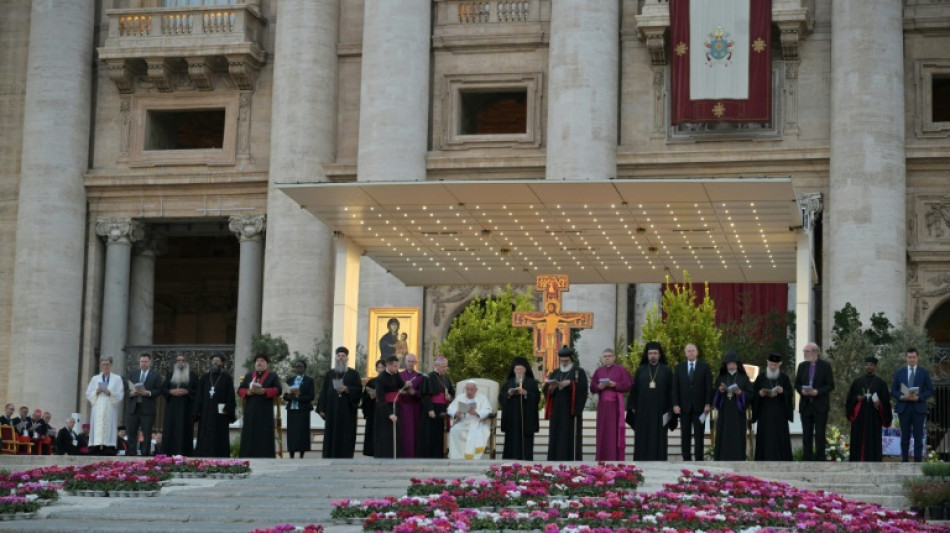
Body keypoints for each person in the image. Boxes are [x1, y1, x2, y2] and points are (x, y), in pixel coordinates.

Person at [629, 341, 674, 461]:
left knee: (659, 437)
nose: (653, 355)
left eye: (655, 353)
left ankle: (659, 461)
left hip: (660, 411)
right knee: (642, 436)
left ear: (659, 355)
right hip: (643, 411)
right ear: (647, 355)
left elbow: (671, 390)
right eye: (650, 353)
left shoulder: (666, 370)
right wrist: (632, 405)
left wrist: (670, 407)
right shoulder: (641, 370)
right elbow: (634, 389)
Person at [543, 346, 588, 461]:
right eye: (562, 361)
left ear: (571, 359)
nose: (564, 363)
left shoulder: (578, 372)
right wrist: (550, 389)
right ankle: (554, 460)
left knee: (569, 436)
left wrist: (571, 384)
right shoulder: (555, 372)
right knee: (556, 435)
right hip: (556, 410)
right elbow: (546, 389)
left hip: (570, 411)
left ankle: (571, 460)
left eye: (566, 361)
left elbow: (583, 390)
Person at [316, 347, 362, 458]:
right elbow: (324, 391)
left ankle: (345, 456)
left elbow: (359, 390)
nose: (341, 358)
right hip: (332, 410)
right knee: (331, 433)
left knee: (346, 434)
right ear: (336, 358)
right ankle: (330, 455)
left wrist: (347, 389)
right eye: (339, 356)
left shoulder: (353, 374)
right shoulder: (330, 374)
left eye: (343, 356)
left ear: (347, 358)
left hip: (347, 411)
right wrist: (321, 408)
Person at [672, 343, 713, 461]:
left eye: (693, 350)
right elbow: (675, 388)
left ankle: (699, 459)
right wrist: (675, 404)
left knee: (699, 436)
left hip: (700, 408)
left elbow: (709, 387)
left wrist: (708, 403)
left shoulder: (704, 367)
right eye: (688, 351)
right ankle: (686, 459)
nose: (691, 353)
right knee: (685, 435)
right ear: (685, 354)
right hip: (684, 408)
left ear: (697, 352)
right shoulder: (679, 367)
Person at [589, 348, 633, 461]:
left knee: (614, 433)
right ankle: (601, 457)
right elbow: (592, 387)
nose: (607, 358)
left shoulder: (621, 369)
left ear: (614, 357)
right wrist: (599, 387)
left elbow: (628, 385)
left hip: (615, 406)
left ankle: (615, 457)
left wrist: (615, 385)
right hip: (603, 407)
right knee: (602, 432)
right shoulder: (599, 371)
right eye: (605, 356)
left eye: (609, 356)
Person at [892, 347, 934, 463]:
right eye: (909, 357)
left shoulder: (924, 372)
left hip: (918, 408)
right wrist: (902, 396)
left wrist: (919, 397)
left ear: (917, 358)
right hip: (904, 408)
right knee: (904, 436)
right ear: (906, 358)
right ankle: (905, 460)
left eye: (913, 357)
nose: (911, 359)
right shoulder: (899, 372)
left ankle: (917, 461)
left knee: (918, 436)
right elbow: (893, 390)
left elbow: (930, 390)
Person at [847, 356, 893, 462]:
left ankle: (873, 461)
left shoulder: (881, 383)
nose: (869, 367)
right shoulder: (857, 382)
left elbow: (886, 402)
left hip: (874, 418)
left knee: (873, 440)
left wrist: (880, 403)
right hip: (859, 418)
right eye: (867, 365)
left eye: (871, 365)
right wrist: (856, 398)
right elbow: (849, 398)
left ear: (875, 367)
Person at [794, 342, 835, 461]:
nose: (804, 353)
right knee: (806, 434)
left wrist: (818, 391)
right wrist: (801, 390)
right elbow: (797, 384)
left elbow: (830, 385)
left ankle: (820, 458)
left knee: (820, 434)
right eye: (804, 351)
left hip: (820, 406)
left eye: (807, 351)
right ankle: (807, 458)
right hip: (806, 405)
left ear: (815, 352)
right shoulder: (802, 366)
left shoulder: (825, 366)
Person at [752, 352, 794, 461]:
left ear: (779, 365)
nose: (772, 367)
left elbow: (790, 394)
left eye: (775, 365)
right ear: (767, 363)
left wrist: (783, 391)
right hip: (765, 415)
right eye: (771, 364)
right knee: (765, 438)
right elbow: (753, 394)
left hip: (780, 415)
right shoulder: (761, 377)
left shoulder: (784, 378)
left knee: (780, 438)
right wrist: (759, 394)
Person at [237, 353, 281, 458]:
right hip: (251, 410)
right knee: (249, 433)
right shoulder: (248, 376)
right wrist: (247, 392)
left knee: (264, 434)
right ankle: (247, 455)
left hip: (265, 411)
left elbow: (278, 390)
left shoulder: (272, 376)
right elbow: (240, 390)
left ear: (266, 364)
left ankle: (265, 455)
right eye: (257, 361)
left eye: (262, 361)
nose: (259, 363)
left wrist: (265, 391)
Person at [712, 350, 752, 461]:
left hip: (737, 415)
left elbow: (751, 395)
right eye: (729, 364)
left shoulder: (743, 378)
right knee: (723, 436)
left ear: (737, 364)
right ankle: (722, 459)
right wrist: (719, 391)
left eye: (733, 363)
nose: (731, 366)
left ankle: (738, 459)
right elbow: (714, 396)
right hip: (724, 414)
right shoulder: (721, 378)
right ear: (726, 365)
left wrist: (740, 393)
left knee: (737, 437)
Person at [195, 352, 236, 457]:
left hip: (220, 414)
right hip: (206, 413)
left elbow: (230, 396)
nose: (215, 362)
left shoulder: (227, 378)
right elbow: (199, 395)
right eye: (214, 361)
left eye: (218, 361)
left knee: (219, 435)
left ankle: (220, 455)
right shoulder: (205, 378)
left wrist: (228, 408)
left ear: (222, 363)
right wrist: (198, 411)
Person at [500, 356, 540, 460]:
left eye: (520, 369)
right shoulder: (508, 383)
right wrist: (508, 394)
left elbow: (537, 398)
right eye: (517, 369)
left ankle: (526, 462)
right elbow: (501, 397)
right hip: (512, 420)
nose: (518, 371)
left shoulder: (532, 382)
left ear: (525, 370)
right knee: (511, 443)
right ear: (513, 370)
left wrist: (526, 393)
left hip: (526, 419)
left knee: (526, 444)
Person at [85, 356, 124, 455]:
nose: (105, 367)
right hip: (98, 405)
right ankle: (95, 447)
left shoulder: (117, 378)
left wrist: (109, 393)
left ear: (111, 365)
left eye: (107, 364)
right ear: (101, 365)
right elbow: (88, 393)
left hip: (109, 405)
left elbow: (120, 394)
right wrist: (96, 392)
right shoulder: (95, 378)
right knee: (97, 427)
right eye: (103, 365)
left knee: (109, 426)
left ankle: (108, 447)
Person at [418, 356, 455, 458]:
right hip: (432, 409)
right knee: (430, 434)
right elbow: (425, 395)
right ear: (436, 365)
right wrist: (430, 409)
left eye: (446, 367)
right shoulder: (428, 377)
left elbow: (452, 393)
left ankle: (440, 455)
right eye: (443, 367)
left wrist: (449, 397)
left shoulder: (446, 378)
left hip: (443, 409)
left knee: (440, 434)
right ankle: (429, 456)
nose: (445, 369)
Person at [126, 353, 162, 456]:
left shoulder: (155, 375)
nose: (143, 363)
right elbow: (126, 388)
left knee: (147, 433)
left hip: (147, 409)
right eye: (142, 361)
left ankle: (145, 454)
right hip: (134, 408)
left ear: (150, 362)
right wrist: (131, 393)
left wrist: (148, 392)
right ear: (139, 362)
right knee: (131, 432)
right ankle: (131, 454)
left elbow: (159, 390)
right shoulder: (133, 374)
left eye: (146, 361)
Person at [162, 354, 199, 456]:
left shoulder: (193, 376)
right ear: (176, 362)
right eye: (178, 360)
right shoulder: (170, 375)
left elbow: (198, 391)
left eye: (183, 360)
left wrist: (187, 391)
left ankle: (184, 453)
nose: (181, 362)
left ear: (186, 362)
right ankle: (169, 454)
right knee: (171, 430)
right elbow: (164, 389)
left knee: (184, 431)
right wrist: (170, 391)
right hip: (172, 410)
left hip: (186, 410)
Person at [447, 381, 493, 459]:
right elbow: (450, 409)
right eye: (467, 389)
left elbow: (488, 410)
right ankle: (457, 457)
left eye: (471, 389)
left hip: (478, 423)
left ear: (476, 390)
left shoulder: (482, 398)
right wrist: (456, 413)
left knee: (482, 431)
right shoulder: (460, 397)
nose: (469, 391)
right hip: (462, 423)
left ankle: (471, 458)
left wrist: (477, 413)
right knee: (454, 430)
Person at [280, 359, 315, 459]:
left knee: (302, 432)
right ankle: (291, 454)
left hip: (303, 410)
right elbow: (285, 396)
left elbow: (311, 396)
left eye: (300, 367)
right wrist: (289, 397)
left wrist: (298, 398)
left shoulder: (309, 380)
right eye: (296, 367)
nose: (298, 369)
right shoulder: (290, 380)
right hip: (292, 410)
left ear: (304, 368)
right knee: (292, 433)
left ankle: (301, 455)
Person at [374, 355, 405, 458]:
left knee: (396, 434)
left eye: (397, 366)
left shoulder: (395, 374)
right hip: (385, 410)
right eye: (395, 366)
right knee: (386, 435)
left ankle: (395, 457)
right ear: (388, 365)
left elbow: (401, 384)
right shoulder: (380, 378)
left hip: (395, 406)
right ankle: (385, 458)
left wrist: (406, 385)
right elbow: (381, 399)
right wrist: (389, 414)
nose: (397, 368)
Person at [397, 353, 424, 457]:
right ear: (405, 362)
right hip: (402, 407)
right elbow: (395, 389)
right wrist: (401, 392)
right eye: (409, 361)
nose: (411, 363)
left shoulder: (420, 376)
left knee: (414, 432)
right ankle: (402, 455)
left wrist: (414, 392)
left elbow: (423, 393)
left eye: (413, 362)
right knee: (403, 432)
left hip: (415, 408)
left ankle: (414, 454)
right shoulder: (399, 375)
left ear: (415, 363)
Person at [361, 359, 385, 457]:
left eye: (382, 367)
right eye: (379, 367)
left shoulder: (389, 381)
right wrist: (370, 396)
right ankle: (371, 450)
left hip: (384, 411)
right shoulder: (371, 382)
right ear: (376, 369)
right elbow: (364, 397)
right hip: (373, 410)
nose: (381, 369)